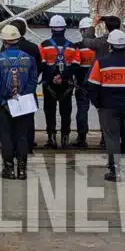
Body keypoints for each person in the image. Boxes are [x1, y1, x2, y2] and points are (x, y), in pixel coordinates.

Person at [86, 30, 125, 182]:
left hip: (108, 107)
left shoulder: (101, 63)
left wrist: (98, 104)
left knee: (112, 139)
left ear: (110, 45)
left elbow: (92, 87)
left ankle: (115, 172)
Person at [0, 25, 37, 181]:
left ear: (4, 42)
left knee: (6, 136)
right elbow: (33, 82)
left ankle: (9, 169)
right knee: (22, 136)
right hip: (23, 103)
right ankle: (22, 170)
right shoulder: (29, 59)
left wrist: (8, 95)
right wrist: (21, 95)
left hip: (4, 103)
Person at [39, 15, 79, 150]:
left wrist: (53, 77)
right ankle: (65, 138)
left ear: (51, 29)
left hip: (49, 84)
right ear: (64, 29)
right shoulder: (72, 46)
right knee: (66, 111)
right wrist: (63, 76)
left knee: (49, 111)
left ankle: (51, 137)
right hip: (66, 84)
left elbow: (42, 64)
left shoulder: (44, 45)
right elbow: (76, 65)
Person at [12, 18, 43, 151]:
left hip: (13, 86)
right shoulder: (33, 47)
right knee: (28, 118)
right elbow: (39, 66)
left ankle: (15, 144)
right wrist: (32, 80)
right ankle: (29, 143)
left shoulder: (6, 47)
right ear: (24, 31)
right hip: (29, 86)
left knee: (14, 117)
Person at [72, 17, 99, 149]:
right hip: (98, 85)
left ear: (82, 31)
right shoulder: (102, 45)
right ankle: (105, 139)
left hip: (82, 84)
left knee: (82, 110)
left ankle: (82, 138)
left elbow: (74, 66)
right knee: (103, 111)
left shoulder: (78, 46)